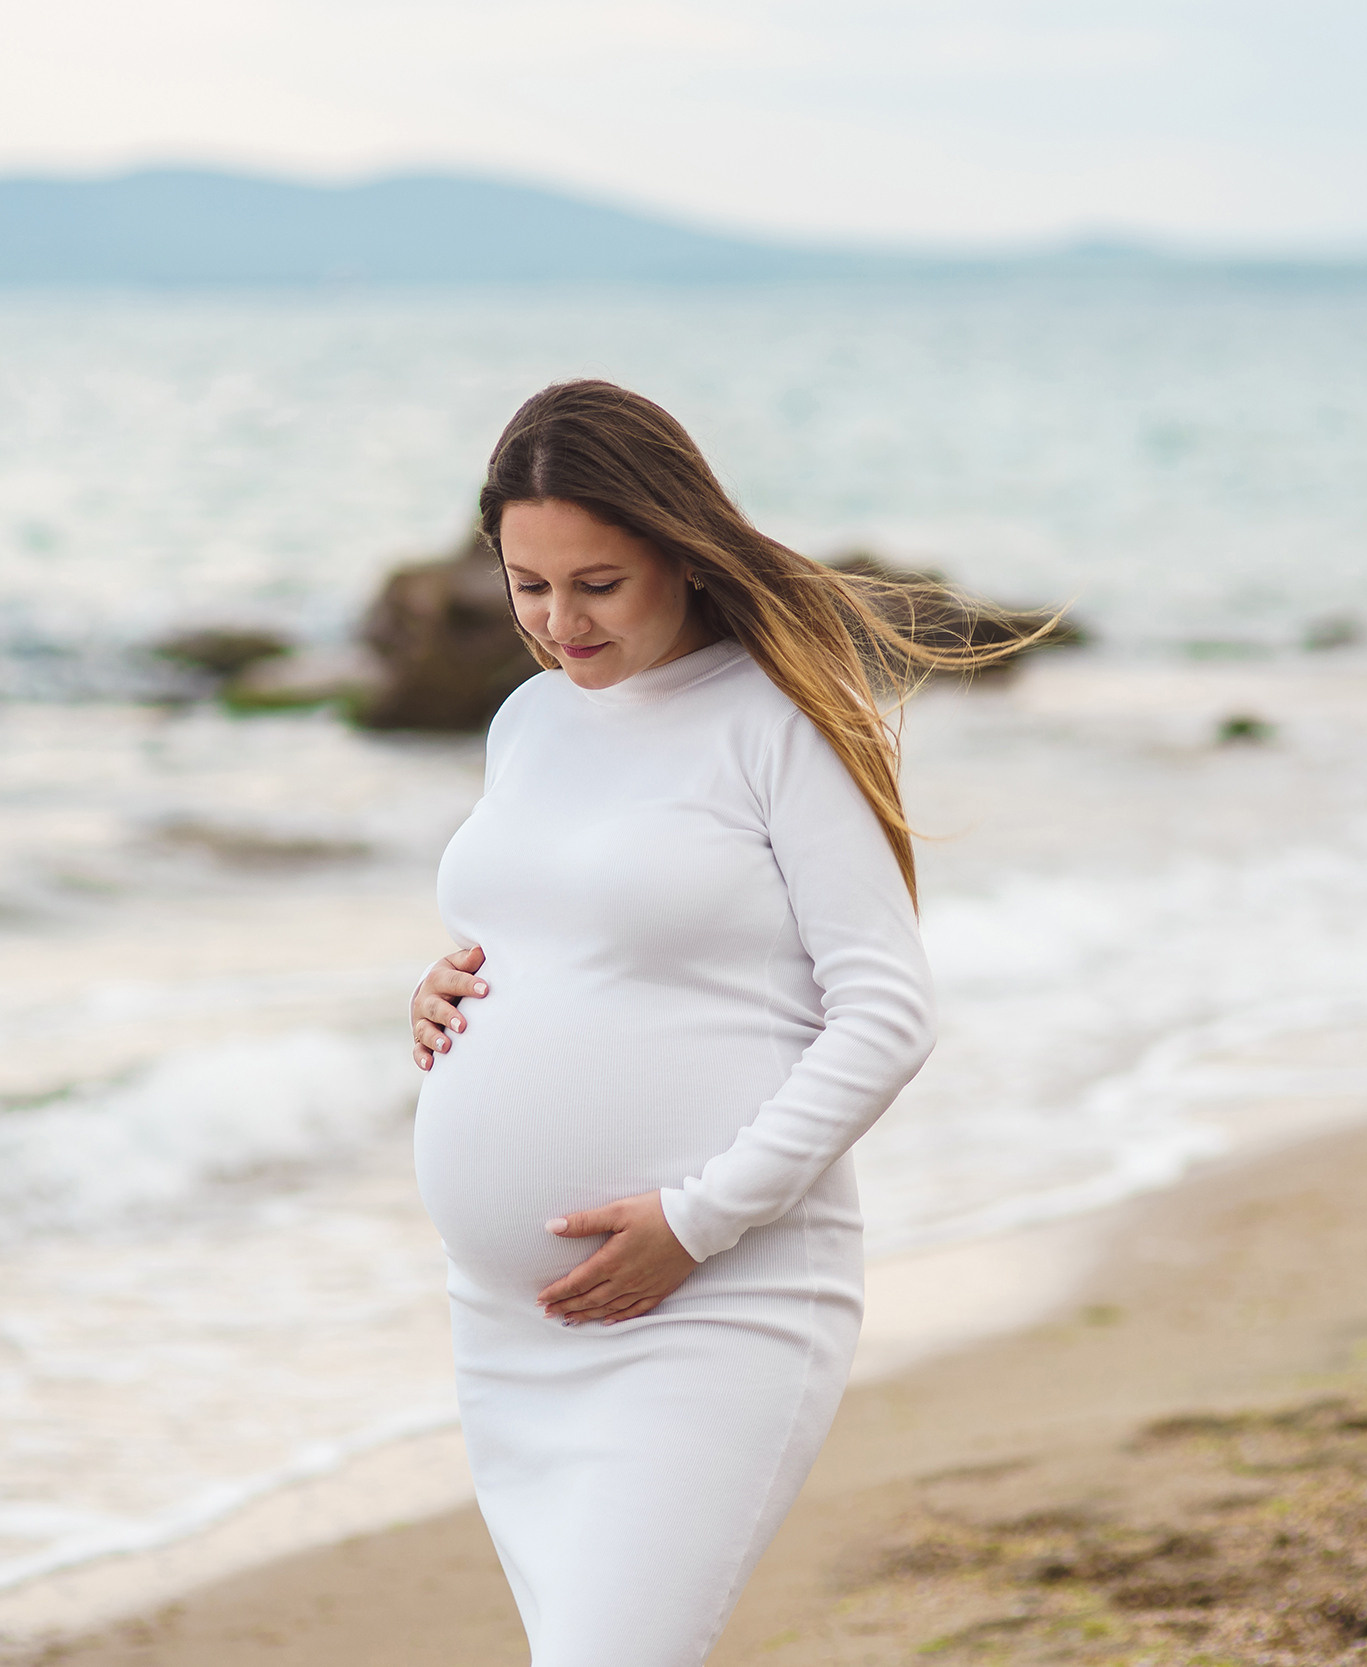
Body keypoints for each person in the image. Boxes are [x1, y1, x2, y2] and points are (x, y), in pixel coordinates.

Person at [408, 379, 1045, 1666]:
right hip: (513, 1324)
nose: (556, 623)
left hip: (715, 1300)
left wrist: (696, 1219)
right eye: (527, 585)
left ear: (680, 551)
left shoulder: (778, 719)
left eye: (597, 582)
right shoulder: (529, 722)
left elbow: (886, 1011)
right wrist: (440, 990)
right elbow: (568, 928)